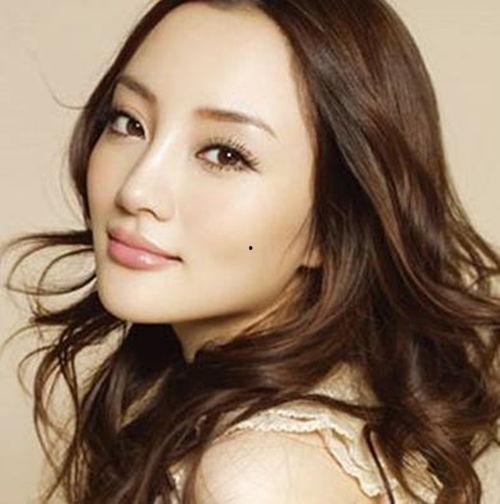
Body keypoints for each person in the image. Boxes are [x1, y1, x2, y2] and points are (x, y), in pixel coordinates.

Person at [1, 0, 499, 503]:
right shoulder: (278, 409)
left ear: (335, 225)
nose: (136, 190)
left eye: (225, 154)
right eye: (129, 122)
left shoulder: (255, 476)